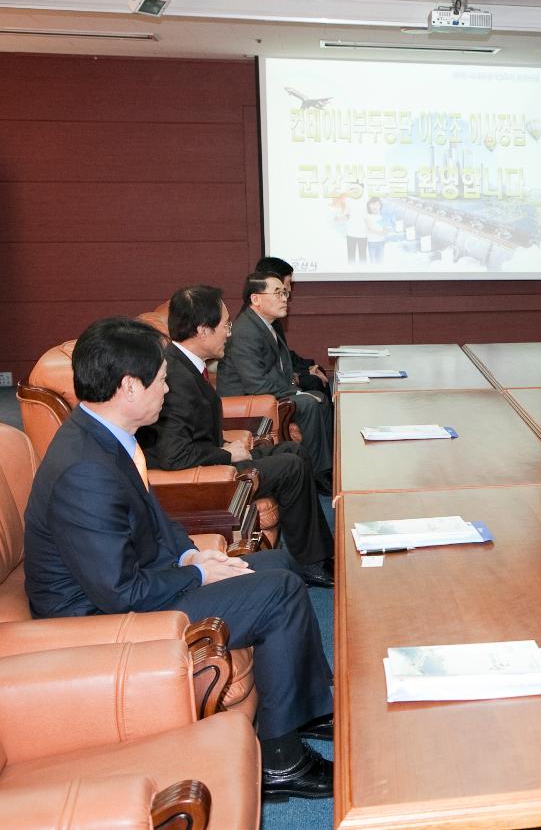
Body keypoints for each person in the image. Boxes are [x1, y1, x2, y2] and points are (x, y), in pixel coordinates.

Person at [23, 317, 335, 800]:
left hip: (131, 581)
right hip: (98, 620)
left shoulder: (106, 437)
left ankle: (304, 709)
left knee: (277, 567)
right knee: (279, 592)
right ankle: (281, 760)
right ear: (129, 386)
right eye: (161, 378)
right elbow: (117, 593)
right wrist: (195, 572)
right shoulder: (85, 470)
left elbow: (155, 518)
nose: (168, 387)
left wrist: (191, 552)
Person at [137, 284, 335, 588]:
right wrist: (227, 454)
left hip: (209, 457)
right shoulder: (173, 376)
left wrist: (227, 444)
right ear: (203, 330)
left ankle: (318, 553)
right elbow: (174, 454)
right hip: (202, 475)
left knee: (294, 452)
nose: (229, 332)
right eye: (225, 325)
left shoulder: (186, 365)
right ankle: (310, 563)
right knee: (290, 467)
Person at [218, 272, 334, 494]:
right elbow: (255, 384)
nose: (284, 299)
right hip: (246, 404)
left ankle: (325, 469)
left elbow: (280, 369)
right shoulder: (246, 331)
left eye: (285, 293)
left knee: (317, 397)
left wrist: (297, 389)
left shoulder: (267, 325)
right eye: (278, 293)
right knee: (310, 403)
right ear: (256, 299)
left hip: (265, 394)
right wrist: (297, 393)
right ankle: (319, 475)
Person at [255, 256, 329, 395]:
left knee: (317, 370)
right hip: (271, 389)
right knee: (314, 382)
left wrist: (307, 368)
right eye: (288, 283)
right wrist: (298, 377)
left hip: (283, 374)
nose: (289, 290)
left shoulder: (272, 312)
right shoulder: (257, 318)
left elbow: (282, 352)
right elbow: (269, 365)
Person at [366, 197, 390, 264]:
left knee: (380, 261)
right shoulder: (368, 216)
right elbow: (370, 228)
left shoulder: (381, 216)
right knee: (373, 262)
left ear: (380, 206)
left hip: (381, 242)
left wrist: (385, 231)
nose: (375, 207)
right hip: (372, 242)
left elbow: (385, 227)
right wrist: (382, 232)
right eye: (373, 204)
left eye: (377, 205)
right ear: (369, 206)